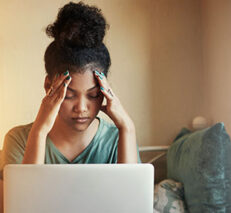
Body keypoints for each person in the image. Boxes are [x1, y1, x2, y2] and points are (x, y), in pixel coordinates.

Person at [0, 1, 140, 210]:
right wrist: (39, 131)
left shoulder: (118, 139)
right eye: (69, 95)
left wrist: (127, 127)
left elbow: (133, 208)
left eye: (93, 95)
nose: (82, 108)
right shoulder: (18, 140)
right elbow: (20, 209)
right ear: (49, 86)